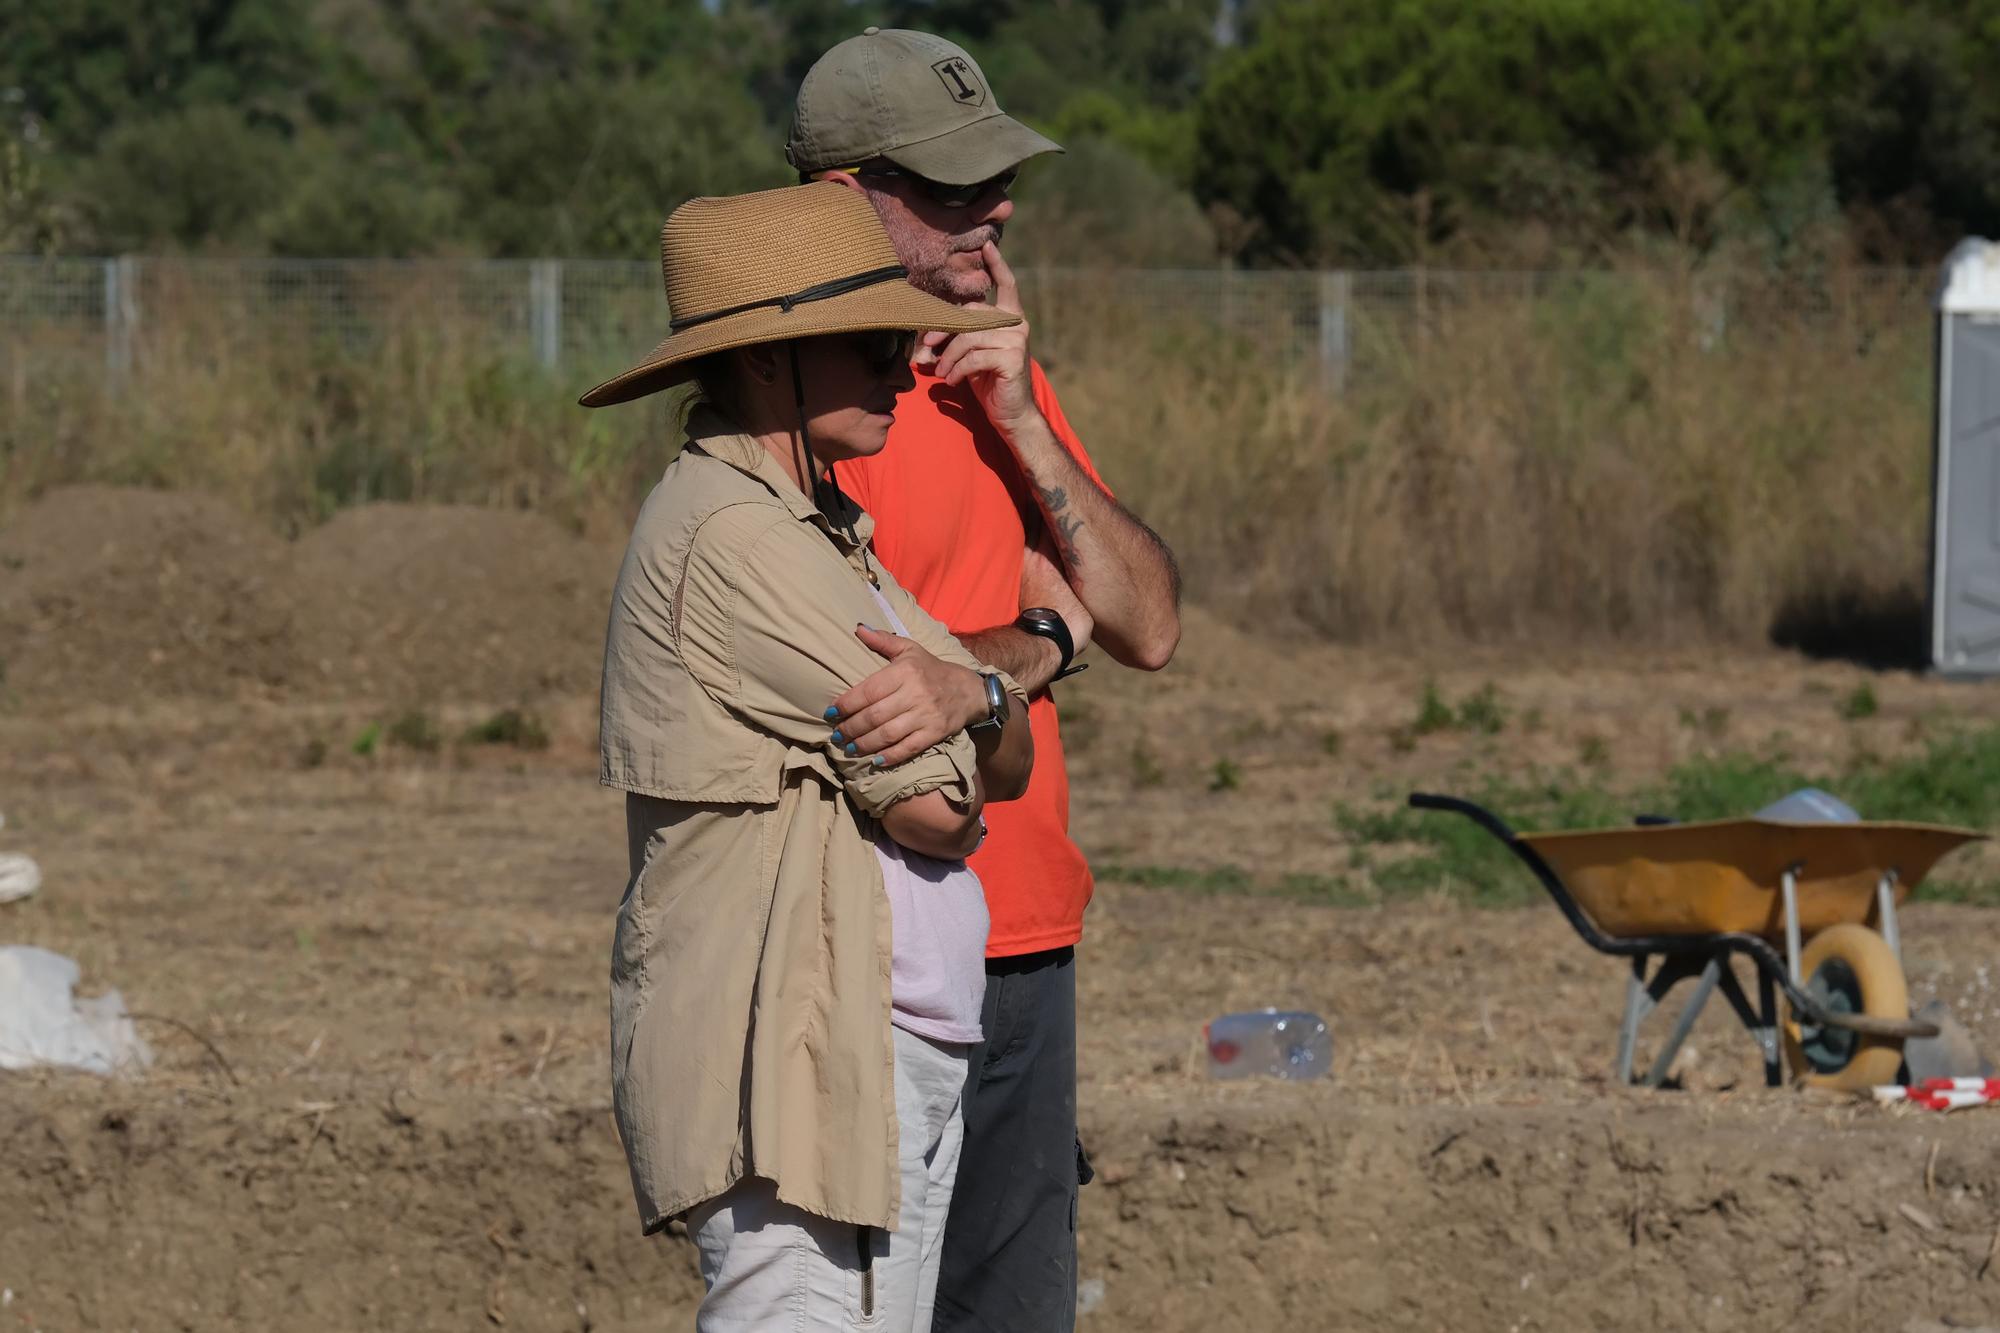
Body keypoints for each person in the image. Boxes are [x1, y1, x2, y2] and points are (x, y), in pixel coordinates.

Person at [582, 181, 1036, 1332]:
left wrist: (974, 694)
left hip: (860, 1049)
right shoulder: (735, 535)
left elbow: (1007, 748)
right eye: (875, 343)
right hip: (790, 1056)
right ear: (773, 361)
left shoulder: (824, 528)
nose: (903, 372)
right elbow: (944, 806)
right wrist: (976, 722)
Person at [788, 30, 1183, 1333]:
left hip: (1024, 942)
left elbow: (1144, 621)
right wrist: (1028, 652)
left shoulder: (975, 365)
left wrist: (1018, 416)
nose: (996, 209)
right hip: (857, 956)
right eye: (954, 189)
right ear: (846, 200)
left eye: (997, 179)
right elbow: (864, 680)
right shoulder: (791, 403)